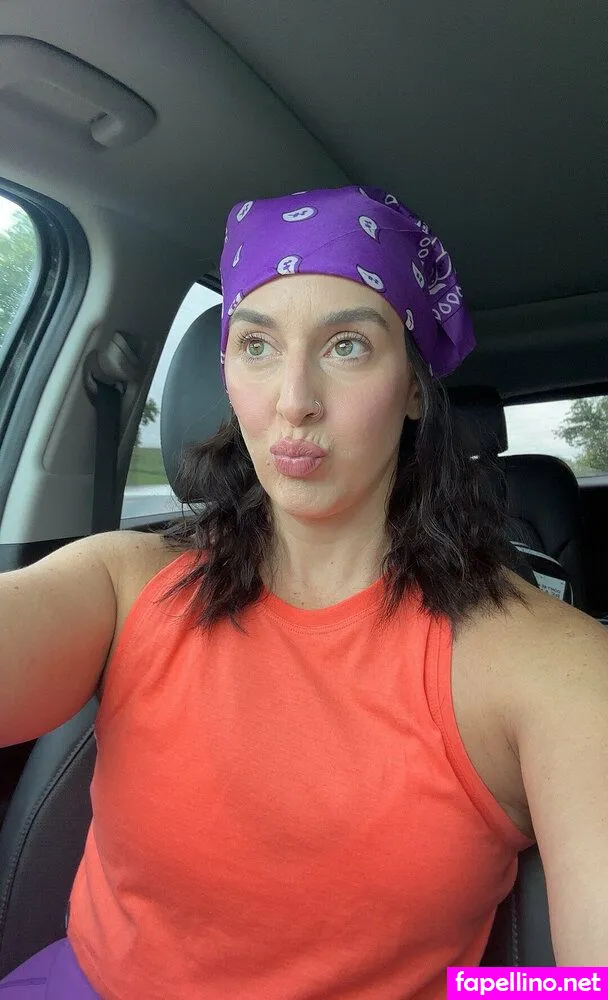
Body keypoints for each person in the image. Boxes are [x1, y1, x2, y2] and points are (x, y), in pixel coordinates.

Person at [0, 186, 606, 998]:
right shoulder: (122, 581)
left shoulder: (549, 664)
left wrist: (488, 992)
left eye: (347, 345)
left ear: (414, 386)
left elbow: (585, 983)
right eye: (256, 345)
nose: (293, 400)